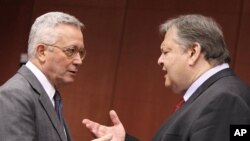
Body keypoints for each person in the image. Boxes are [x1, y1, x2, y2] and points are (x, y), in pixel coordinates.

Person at [82, 14, 250, 141]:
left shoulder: (226, 99)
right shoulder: (213, 95)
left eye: (165, 52)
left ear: (193, 52)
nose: (159, 60)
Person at [0, 11, 111, 141]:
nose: (79, 61)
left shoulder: (51, 96)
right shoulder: (14, 95)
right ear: (42, 52)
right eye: (71, 51)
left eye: (80, 52)